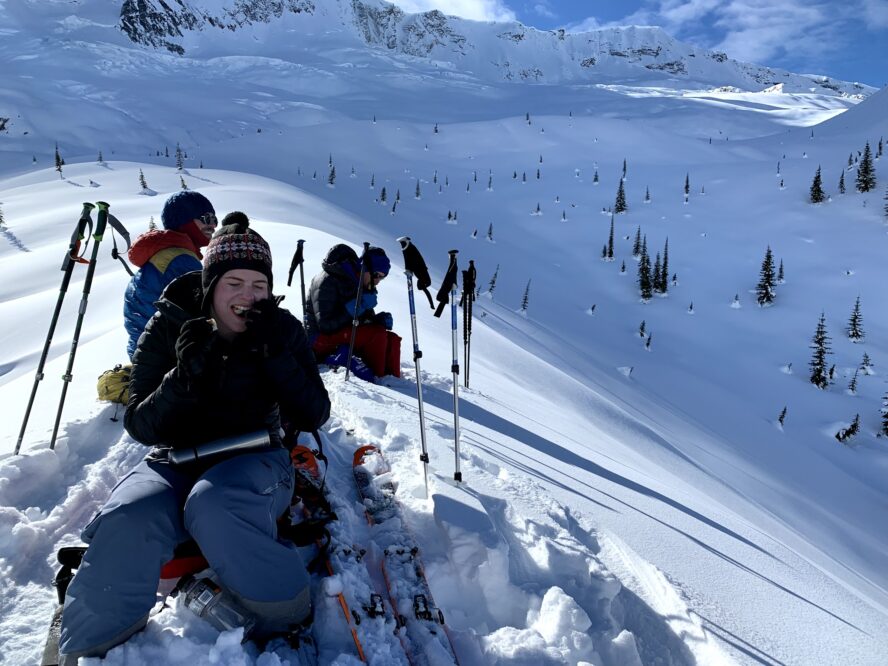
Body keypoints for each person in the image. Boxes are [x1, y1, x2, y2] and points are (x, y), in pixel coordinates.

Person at [58, 214, 331, 663]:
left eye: (258, 286)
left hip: (256, 454)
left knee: (217, 505)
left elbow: (314, 412)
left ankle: (284, 611)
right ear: (210, 287)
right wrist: (183, 378)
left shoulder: (282, 330)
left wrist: (275, 357)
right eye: (234, 284)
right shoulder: (170, 325)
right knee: (129, 515)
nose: (247, 296)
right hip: (173, 459)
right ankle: (92, 643)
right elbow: (142, 426)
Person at [124, 190, 217, 359]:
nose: (213, 225)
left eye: (214, 219)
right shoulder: (180, 259)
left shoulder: (166, 255)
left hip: (149, 353)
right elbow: (203, 313)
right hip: (164, 356)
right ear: (184, 221)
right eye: (206, 218)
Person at [305, 244, 401, 379]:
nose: (378, 281)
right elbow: (325, 325)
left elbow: (362, 319)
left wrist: (377, 319)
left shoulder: (359, 282)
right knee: (377, 334)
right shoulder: (327, 279)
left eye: (382, 277)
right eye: (376, 275)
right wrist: (357, 307)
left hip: (342, 332)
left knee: (392, 339)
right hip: (319, 340)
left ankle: (395, 382)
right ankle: (379, 382)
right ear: (365, 268)